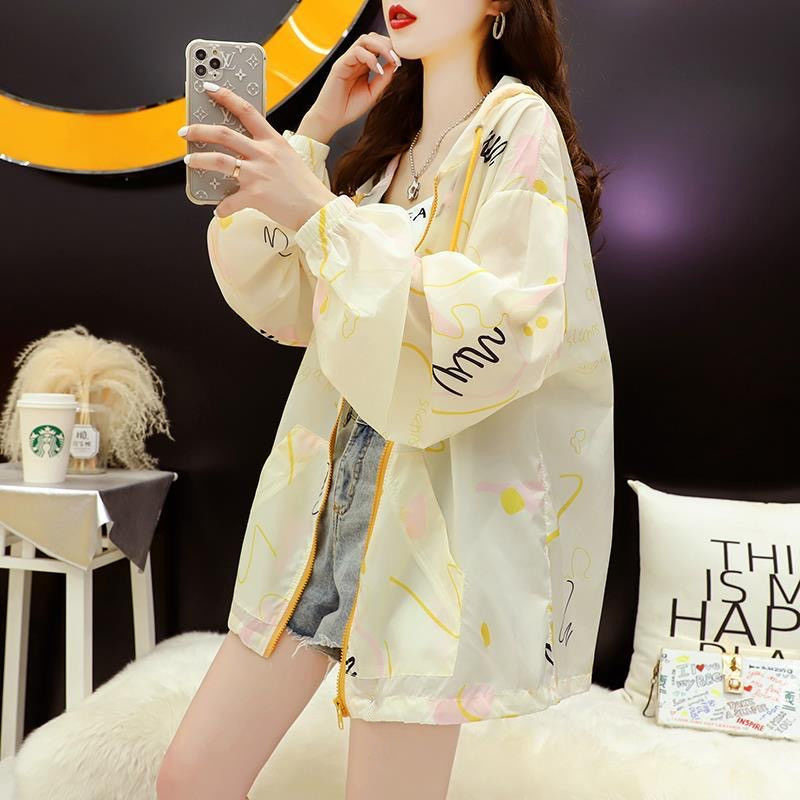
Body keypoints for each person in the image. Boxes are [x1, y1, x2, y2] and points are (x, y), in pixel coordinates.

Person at [158, 1, 614, 798]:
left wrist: (322, 215)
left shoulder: (518, 127)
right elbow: (285, 302)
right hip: (314, 513)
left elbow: (511, 322)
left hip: (422, 535)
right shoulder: (387, 160)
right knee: (189, 780)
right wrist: (315, 131)